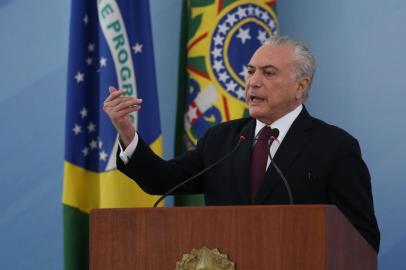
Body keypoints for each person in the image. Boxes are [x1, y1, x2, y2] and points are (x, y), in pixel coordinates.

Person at [103, 36, 380, 252]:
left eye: (268, 73)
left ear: (301, 86)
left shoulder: (335, 147)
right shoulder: (221, 139)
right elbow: (162, 182)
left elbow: (362, 238)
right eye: (250, 71)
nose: (253, 82)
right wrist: (127, 131)